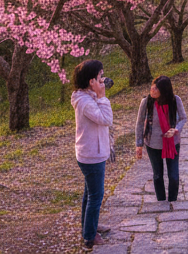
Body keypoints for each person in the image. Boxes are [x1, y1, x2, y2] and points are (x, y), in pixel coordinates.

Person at [71, 59, 113, 250]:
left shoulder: (86, 96)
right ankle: (89, 236)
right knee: (96, 196)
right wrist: (103, 96)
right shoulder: (85, 102)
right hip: (91, 155)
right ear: (91, 81)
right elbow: (106, 119)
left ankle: (90, 226)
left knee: (90, 195)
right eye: (100, 76)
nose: (102, 80)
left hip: (91, 152)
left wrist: (99, 92)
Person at [134, 75, 186, 202]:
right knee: (157, 176)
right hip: (152, 143)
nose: (152, 90)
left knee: (173, 176)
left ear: (164, 90)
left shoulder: (175, 100)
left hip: (172, 142)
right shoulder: (146, 102)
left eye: (156, 89)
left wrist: (176, 129)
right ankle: (161, 202)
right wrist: (139, 144)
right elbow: (139, 123)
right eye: (152, 88)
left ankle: (172, 200)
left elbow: (183, 118)